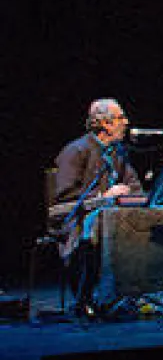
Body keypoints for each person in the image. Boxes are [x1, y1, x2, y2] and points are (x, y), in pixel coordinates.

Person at [51, 98, 142, 257]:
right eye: (120, 117)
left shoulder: (117, 154)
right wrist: (104, 196)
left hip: (116, 216)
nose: (126, 122)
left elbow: (134, 188)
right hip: (78, 220)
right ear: (106, 124)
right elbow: (65, 196)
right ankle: (108, 280)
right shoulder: (76, 151)